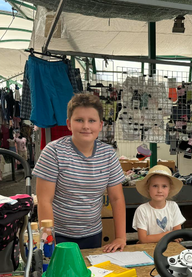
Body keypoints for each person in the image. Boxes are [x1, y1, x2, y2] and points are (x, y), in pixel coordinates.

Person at [33, 94, 126, 252]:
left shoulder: (108, 154)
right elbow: (44, 200)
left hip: (93, 234)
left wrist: (120, 237)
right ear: (69, 124)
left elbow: (117, 198)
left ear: (100, 125)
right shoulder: (53, 152)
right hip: (58, 235)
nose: (86, 126)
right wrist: (49, 240)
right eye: (79, 120)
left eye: (91, 120)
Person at [132, 165, 186, 243]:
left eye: (164, 186)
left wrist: (174, 236)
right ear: (148, 188)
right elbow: (143, 239)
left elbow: (177, 234)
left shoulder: (173, 206)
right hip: (148, 250)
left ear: (169, 189)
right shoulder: (142, 210)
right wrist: (169, 235)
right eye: (155, 186)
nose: (159, 190)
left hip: (170, 248)